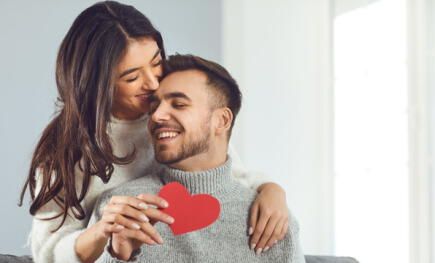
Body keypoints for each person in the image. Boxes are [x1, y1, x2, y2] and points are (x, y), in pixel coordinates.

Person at [19, 2, 288, 263]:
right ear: (97, 83)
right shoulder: (67, 150)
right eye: (132, 77)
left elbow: (227, 175)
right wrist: (102, 230)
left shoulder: (177, 118)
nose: (153, 82)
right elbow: (48, 254)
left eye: (156, 61)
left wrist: (272, 189)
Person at [90, 54, 305, 263]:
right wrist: (118, 256)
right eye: (154, 106)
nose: (156, 116)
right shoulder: (119, 209)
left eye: (179, 104)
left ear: (221, 120)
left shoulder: (272, 219)